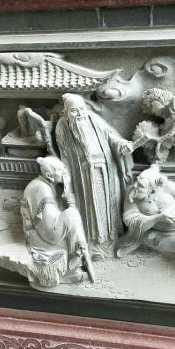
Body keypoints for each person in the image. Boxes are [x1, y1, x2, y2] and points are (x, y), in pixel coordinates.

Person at [54, 93, 134, 257]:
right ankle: (93, 245)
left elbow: (111, 136)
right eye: (75, 111)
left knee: (108, 206)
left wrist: (122, 145)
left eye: (82, 109)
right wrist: (67, 178)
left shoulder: (93, 118)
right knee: (89, 208)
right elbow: (64, 155)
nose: (80, 114)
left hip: (105, 169)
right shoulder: (62, 126)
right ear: (66, 112)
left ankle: (111, 241)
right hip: (82, 174)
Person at [21, 156, 94, 287]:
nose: (64, 171)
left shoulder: (45, 184)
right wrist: (69, 215)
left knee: (72, 217)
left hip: (47, 228)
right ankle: (73, 269)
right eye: (60, 170)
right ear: (49, 175)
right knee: (71, 215)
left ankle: (79, 261)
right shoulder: (40, 188)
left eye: (63, 168)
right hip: (41, 234)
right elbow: (46, 224)